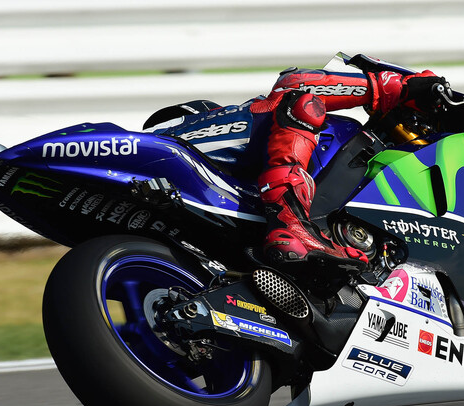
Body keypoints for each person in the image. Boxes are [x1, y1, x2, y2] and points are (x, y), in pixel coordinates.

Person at [145, 57, 445, 271]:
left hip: (191, 225)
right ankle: (290, 226)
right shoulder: (227, 119)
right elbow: (296, 84)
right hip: (162, 160)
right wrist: (397, 88)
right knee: (303, 102)